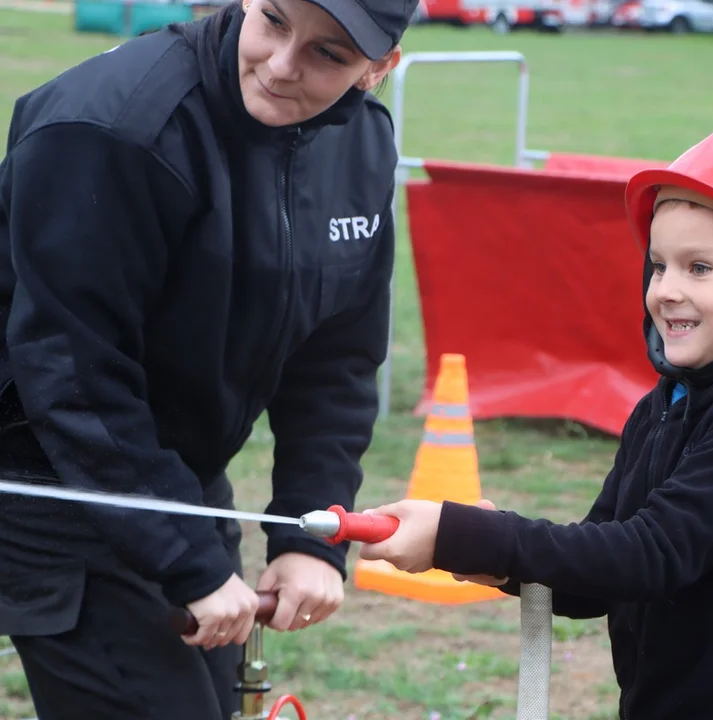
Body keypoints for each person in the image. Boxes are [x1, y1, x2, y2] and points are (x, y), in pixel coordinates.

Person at [354, 107, 713, 719]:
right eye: (660, 264)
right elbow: (602, 571)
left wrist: (469, 533)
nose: (667, 288)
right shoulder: (666, 405)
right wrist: (480, 552)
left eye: (699, 268)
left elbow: (650, 555)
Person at [0, 0, 415, 715]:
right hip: (51, 480)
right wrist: (186, 559)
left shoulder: (363, 144)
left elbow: (335, 363)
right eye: (275, 21)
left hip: (180, 477)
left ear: (379, 69)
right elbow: (72, 376)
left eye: (329, 54)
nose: (282, 66)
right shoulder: (110, 129)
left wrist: (312, 532)